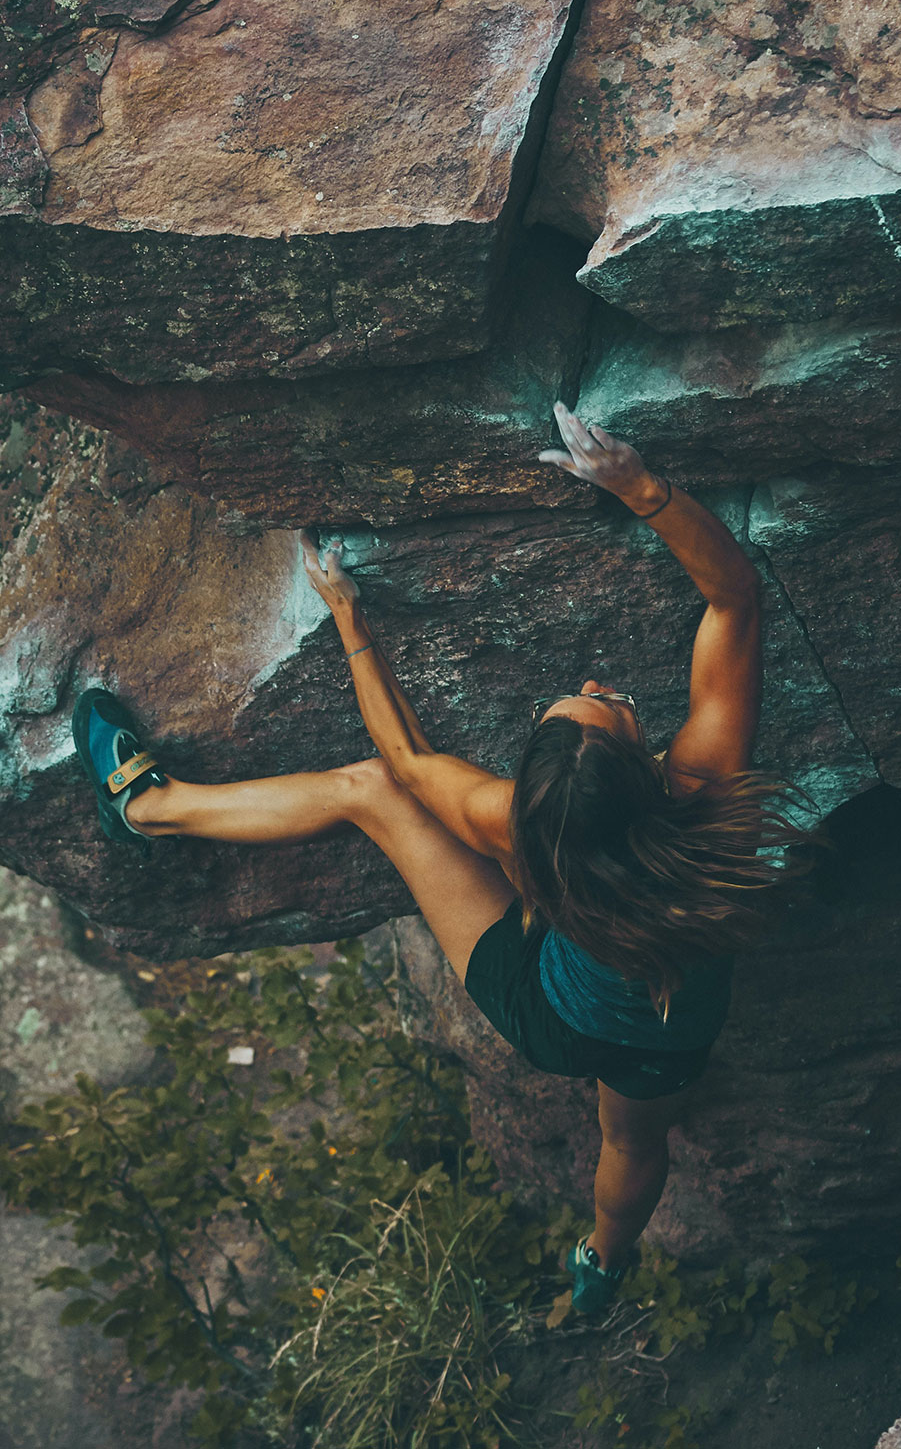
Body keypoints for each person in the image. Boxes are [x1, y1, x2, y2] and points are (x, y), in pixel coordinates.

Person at [74, 403, 793, 1314]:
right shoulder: (707, 797)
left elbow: (405, 764)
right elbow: (734, 597)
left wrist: (347, 615)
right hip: (658, 1032)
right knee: (634, 1143)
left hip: (548, 1009)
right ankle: (601, 1268)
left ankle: (150, 807)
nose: (592, 685)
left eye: (588, 702)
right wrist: (639, 486)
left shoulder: (514, 828)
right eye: (600, 701)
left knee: (370, 791)